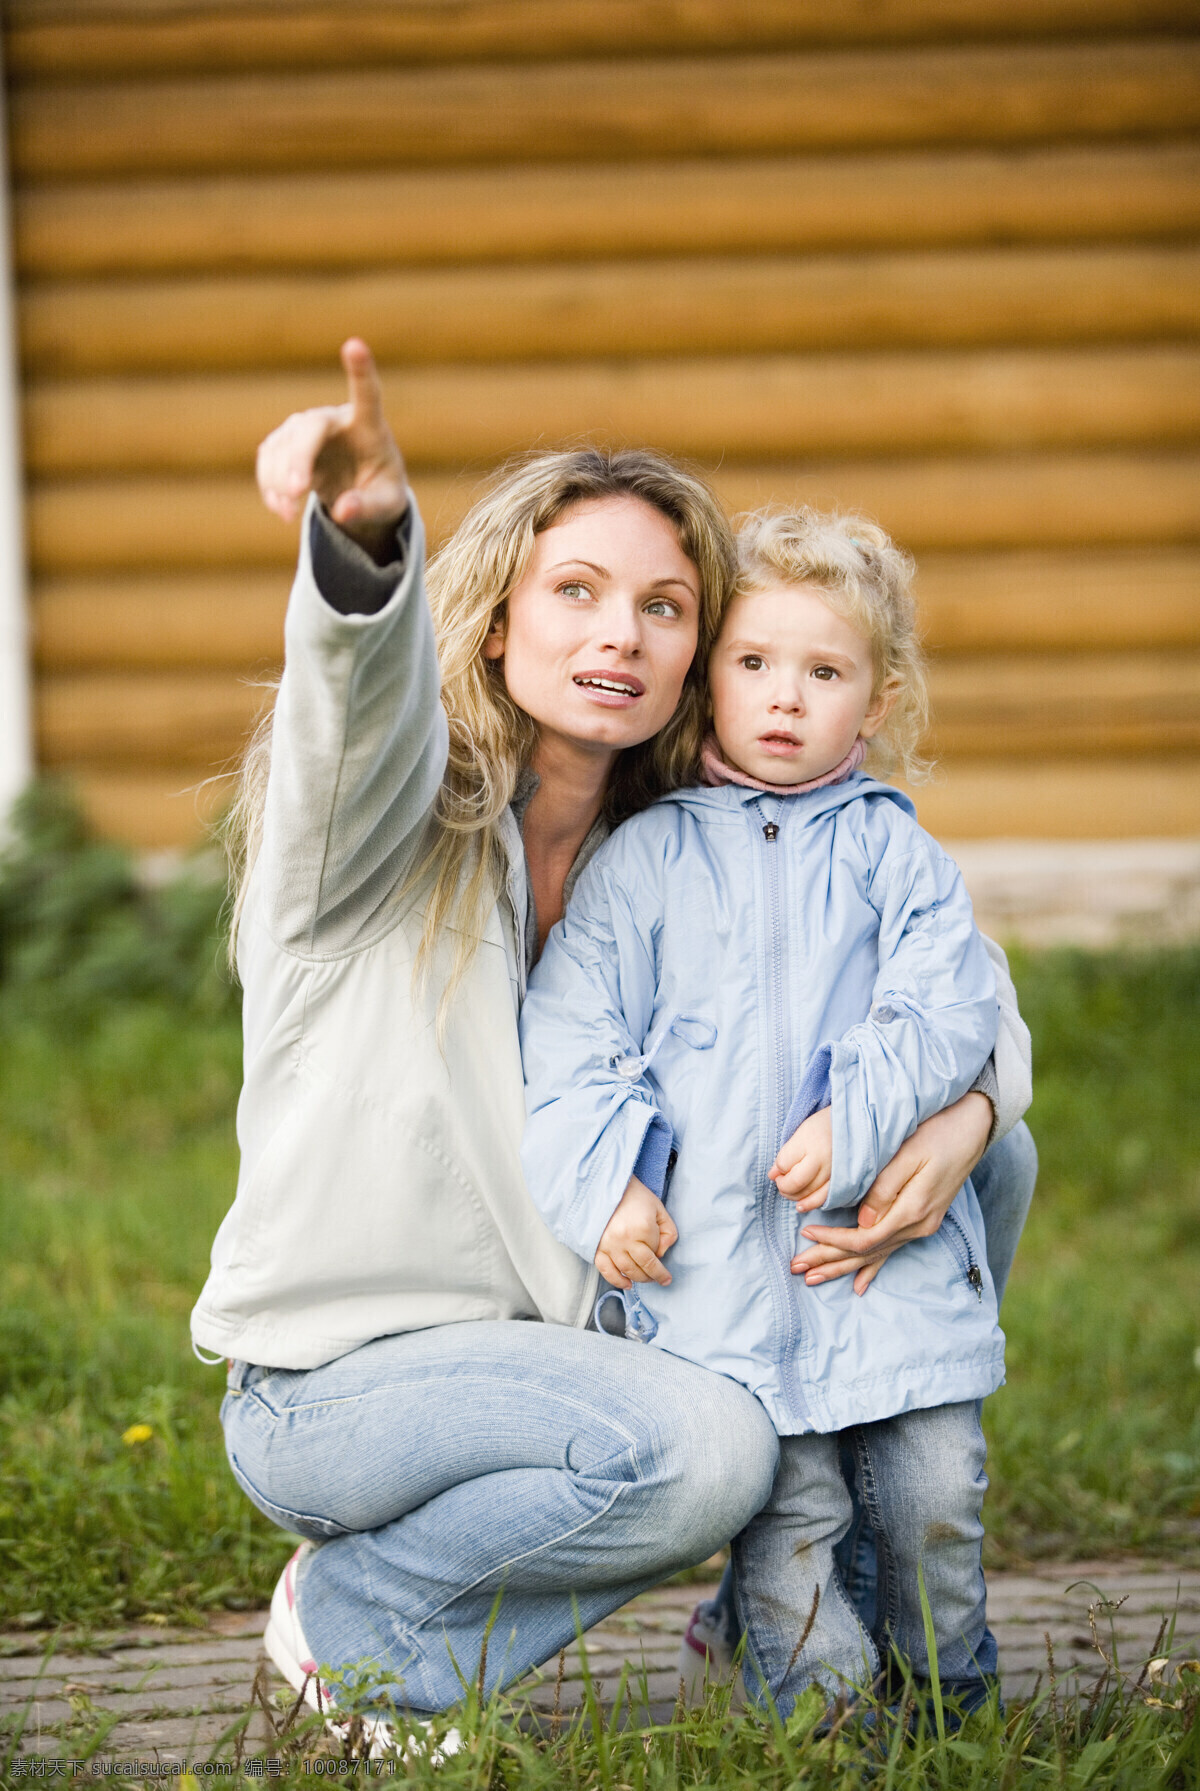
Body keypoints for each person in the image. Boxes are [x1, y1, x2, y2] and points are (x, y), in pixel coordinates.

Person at [191, 340, 1033, 1728]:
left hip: (562, 1333)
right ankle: (363, 1622)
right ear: (495, 618)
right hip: (346, 1380)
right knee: (711, 1445)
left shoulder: (675, 848)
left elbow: (961, 982)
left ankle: (778, 1602)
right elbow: (360, 718)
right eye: (574, 591)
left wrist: (964, 1116)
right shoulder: (373, 835)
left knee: (991, 1169)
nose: (619, 634)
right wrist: (364, 555)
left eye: (664, 605)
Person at [519, 507, 1016, 1717]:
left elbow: (950, 1004)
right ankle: (820, 1722)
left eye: (825, 671)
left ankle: (949, 1710)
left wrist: (862, 1112)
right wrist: (610, 1185)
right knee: (789, 1521)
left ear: (878, 702)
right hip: (725, 1290)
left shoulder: (902, 859)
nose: (785, 698)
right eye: (753, 664)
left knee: (936, 1498)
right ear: (710, 682)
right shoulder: (641, 863)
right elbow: (573, 1039)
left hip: (875, 1272)